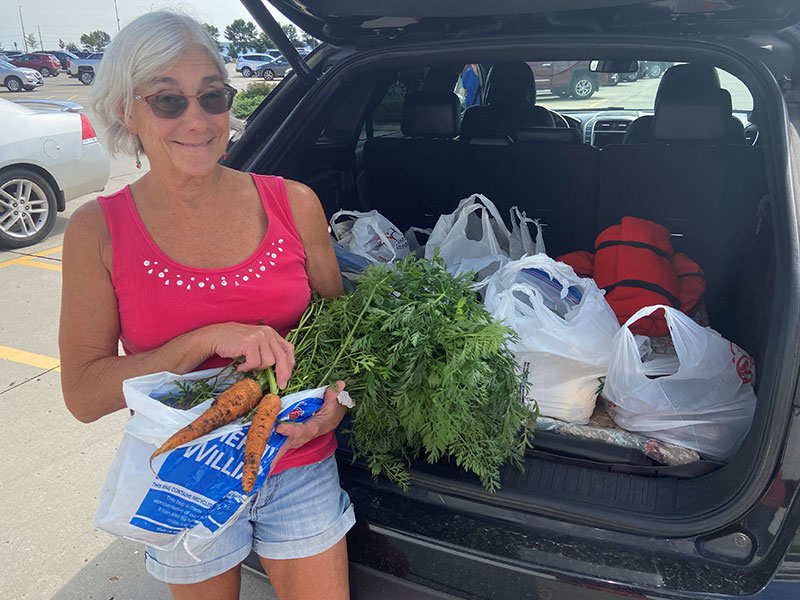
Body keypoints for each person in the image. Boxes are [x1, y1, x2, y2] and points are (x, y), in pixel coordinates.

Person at [58, 11, 353, 600]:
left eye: (212, 97)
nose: (197, 120)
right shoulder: (99, 230)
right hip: (183, 477)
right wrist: (201, 340)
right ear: (126, 111)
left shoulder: (294, 204)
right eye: (168, 101)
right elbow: (85, 396)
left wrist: (337, 403)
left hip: (298, 462)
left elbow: (344, 331)